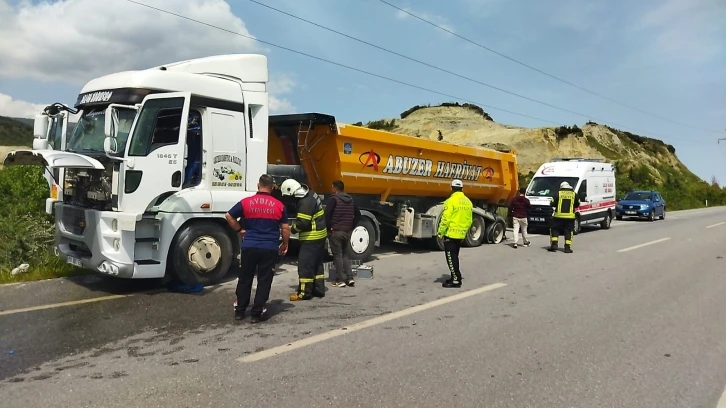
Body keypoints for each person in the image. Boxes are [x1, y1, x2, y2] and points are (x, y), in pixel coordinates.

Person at [225, 174, 290, 323]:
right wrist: (285, 244)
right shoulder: (279, 205)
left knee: (245, 278)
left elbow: (229, 216)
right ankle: (257, 313)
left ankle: (240, 311)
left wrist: (240, 230)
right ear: (272, 187)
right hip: (269, 247)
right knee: (264, 279)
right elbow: (285, 228)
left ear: (258, 185)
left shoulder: (246, 202)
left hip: (249, 246)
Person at [279, 179, 327, 301]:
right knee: (316, 264)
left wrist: (291, 229)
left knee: (305, 265)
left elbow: (302, 223)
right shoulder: (310, 194)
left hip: (312, 237)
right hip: (320, 236)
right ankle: (319, 289)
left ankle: (304, 293)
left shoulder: (304, 202)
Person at [437, 179, 473, 288]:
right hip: (461, 234)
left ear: (451, 188)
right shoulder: (468, 202)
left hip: (451, 234)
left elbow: (445, 219)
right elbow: (469, 220)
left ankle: (456, 280)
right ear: (462, 189)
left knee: (451, 258)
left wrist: (440, 233)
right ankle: (455, 276)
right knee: (455, 257)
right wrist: (464, 232)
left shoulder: (450, 201)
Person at [325, 180, 361, 288]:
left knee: (337, 256)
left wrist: (328, 228)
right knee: (345, 255)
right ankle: (349, 278)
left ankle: (340, 279)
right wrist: (352, 226)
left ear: (334, 188)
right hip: (347, 231)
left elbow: (327, 215)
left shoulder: (333, 199)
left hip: (336, 231)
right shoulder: (351, 199)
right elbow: (358, 215)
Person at [548, 181, 580, 254]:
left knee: (555, 229)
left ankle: (554, 245)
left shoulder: (558, 193)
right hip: (570, 217)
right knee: (568, 231)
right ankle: (567, 248)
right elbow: (577, 204)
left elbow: (552, 203)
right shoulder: (574, 194)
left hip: (558, 216)